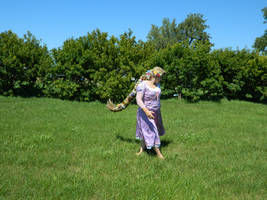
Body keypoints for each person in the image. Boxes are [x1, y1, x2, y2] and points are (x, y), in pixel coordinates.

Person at [135, 67, 165, 159]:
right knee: (152, 131)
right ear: (156, 76)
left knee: (146, 131)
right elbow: (138, 99)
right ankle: (159, 154)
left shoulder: (158, 85)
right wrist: (146, 111)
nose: (161, 79)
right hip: (145, 113)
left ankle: (142, 149)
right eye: (160, 77)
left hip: (156, 112)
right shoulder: (143, 85)